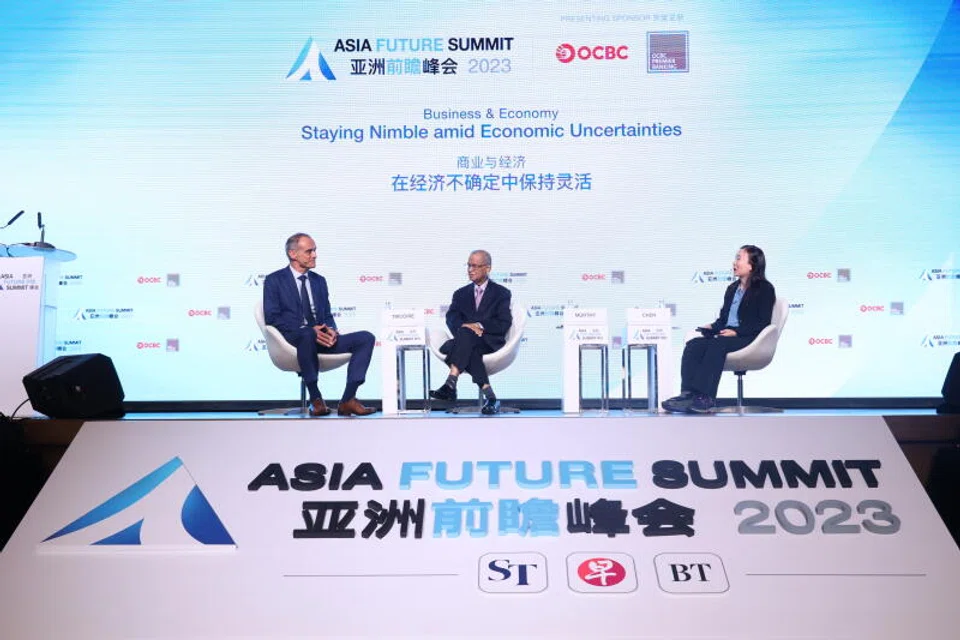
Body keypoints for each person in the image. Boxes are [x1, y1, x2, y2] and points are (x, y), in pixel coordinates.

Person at [263, 233, 376, 417]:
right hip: (292, 339)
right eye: (309, 251)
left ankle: (348, 399)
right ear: (293, 254)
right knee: (307, 334)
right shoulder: (274, 280)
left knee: (365, 338)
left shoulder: (319, 281)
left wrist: (331, 330)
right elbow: (272, 317)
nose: (314, 255)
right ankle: (315, 398)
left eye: (315, 251)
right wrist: (307, 329)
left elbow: (327, 314)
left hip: (320, 338)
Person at [662, 245, 776, 414]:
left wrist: (737, 332)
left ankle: (705, 397)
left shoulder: (764, 289)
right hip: (728, 334)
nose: (734, 262)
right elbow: (724, 319)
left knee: (718, 345)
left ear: (752, 265)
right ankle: (688, 394)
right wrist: (712, 327)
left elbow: (763, 322)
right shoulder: (732, 289)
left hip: (749, 336)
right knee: (694, 345)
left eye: (739, 258)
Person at [430, 250, 512, 415]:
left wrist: (479, 325)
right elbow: (451, 319)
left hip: (488, 342)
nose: (470, 269)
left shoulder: (501, 293)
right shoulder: (460, 294)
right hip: (467, 342)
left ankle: (451, 383)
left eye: (475, 266)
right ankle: (491, 397)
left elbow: (503, 323)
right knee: (467, 339)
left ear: (487, 268)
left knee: (462, 340)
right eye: (468, 265)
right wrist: (468, 327)